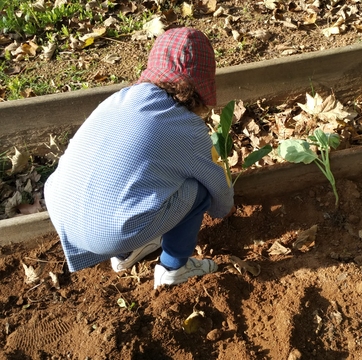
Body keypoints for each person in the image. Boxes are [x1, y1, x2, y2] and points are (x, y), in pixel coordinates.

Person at [44, 27, 235, 288]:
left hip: (62, 209)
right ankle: (173, 267)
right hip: (110, 233)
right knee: (198, 190)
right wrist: (225, 208)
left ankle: (126, 253)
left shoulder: (120, 98)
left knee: (130, 179)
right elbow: (214, 184)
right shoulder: (188, 128)